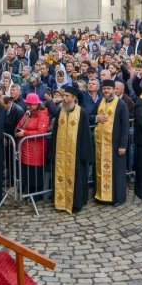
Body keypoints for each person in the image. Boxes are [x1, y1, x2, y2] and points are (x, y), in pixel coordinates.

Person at [51, 86, 93, 214]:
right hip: (61, 154)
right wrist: (53, 152)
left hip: (76, 154)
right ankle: (60, 201)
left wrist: (85, 156)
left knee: (77, 179)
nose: (65, 98)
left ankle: (76, 203)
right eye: (64, 96)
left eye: (67, 96)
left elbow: (86, 136)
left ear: (74, 98)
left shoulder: (82, 113)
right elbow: (55, 132)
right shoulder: (61, 111)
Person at [14, 93, 50, 196]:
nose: (29, 106)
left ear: (37, 104)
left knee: (34, 172)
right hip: (25, 147)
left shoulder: (42, 114)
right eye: (27, 104)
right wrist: (18, 130)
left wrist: (24, 133)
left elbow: (41, 131)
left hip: (36, 148)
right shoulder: (28, 113)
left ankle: (35, 194)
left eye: (31, 104)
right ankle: (27, 192)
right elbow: (20, 124)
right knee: (26, 171)